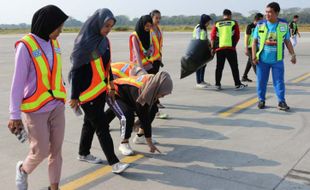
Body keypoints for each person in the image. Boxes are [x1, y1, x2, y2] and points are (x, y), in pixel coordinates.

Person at [8, 5, 68, 190]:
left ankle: (54, 187)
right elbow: (18, 82)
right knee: (41, 151)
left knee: (56, 150)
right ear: (47, 24)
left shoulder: (54, 43)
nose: (60, 31)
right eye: (58, 27)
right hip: (36, 109)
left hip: (57, 105)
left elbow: (54, 73)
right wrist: (14, 114)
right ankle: (23, 170)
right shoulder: (26, 46)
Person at [69, 8, 129, 173]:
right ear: (97, 24)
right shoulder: (83, 43)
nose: (108, 30)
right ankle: (114, 163)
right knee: (102, 127)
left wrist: (110, 85)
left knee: (89, 123)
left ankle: (83, 152)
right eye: (106, 26)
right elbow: (76, 71)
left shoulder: (104, 42)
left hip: (100, 90)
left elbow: (107, 66)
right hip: (87, 94)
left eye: (111, 26)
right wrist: (74, 97)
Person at [106, 72, 173, 155]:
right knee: (127, 116)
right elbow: (144, 118)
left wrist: (148, 139)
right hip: (113, 93)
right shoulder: (142, 91)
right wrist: (150, 143)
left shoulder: (153, 84)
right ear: (158, 88)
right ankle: (124, 143)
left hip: (128, 95)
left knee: (153, 109)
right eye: (162, 94)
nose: (163, 96)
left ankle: (140, 136)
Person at [252, 2, 296, 111]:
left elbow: (287, 41)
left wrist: (293, 54)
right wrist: (254, 56)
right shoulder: (260, 24)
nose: (267, 14)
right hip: (262, 60)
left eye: (270, 12)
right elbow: (254, 42)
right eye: (266, 12)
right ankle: (261, 100)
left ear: (277, 13)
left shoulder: (283, 25)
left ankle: (281, 102)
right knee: (261, 81)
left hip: (277, 60)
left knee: (279, 81)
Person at [210, 9, 247, 90]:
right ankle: (237, 84)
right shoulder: (233, 23)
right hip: (230, 48)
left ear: (223, 15)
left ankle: (217, 84)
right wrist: (233, 45)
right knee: (234, 67)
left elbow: (212, 36)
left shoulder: (217, 23)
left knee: (219, 67)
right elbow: (237, 36)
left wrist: (213, 48)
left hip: (219, 49)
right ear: (230, 15)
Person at [242, 13, 264, 82]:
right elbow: (246, 37)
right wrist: (246, 48)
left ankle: (244, 76)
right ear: (258, 19)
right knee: (254, 62)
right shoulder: (250, 26)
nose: (263, 21)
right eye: (261, 20)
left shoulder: (261, 26)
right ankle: (260, 78)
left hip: (257, 47)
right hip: (249, 47)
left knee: (250, 61)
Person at [193, 14, 212, 88]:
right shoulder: (198, 28)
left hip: (204, 49)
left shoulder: (203, 28)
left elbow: (205, 38)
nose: (209, 23)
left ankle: (202, 81)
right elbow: (198, 39)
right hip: (198, 49)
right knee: (199, 66)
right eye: (208, 22)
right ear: (205, 21)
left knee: (204, 65)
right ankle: (198, 82)